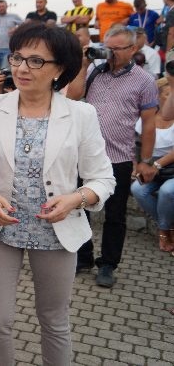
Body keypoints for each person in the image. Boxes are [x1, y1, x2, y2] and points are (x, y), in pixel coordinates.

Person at [0, 22, 115, 366]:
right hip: (0, 229)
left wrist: (75, 199)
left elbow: (103, 179)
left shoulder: (81, 114)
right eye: (17, 58)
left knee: (54, 321)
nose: (22, 68)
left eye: (36, 61)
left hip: (56, 232)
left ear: (59, 69)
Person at [66, 24, 158, 287]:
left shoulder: (144, 80)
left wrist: (146, 160)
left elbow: (149, 124)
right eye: (108, 48)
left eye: (118, 49)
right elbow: (73, 95)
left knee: (115, 215)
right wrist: (83, 65)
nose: (112, 53)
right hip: (86, 154)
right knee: (79, 207)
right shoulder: (94, 71)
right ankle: (83, 256)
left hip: (119, 158)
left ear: (133, 48)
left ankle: (107, 264)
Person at [130, 77, 174, 252]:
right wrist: (135, 165)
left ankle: (163, 231)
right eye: (168, 94)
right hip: (150, 168)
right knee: (137, 190)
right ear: (158, 96)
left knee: (167, 191)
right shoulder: (146, 118)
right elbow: (134, 144)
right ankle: (167, 226)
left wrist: (155, 165)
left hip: (169, 168)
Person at [0, 0, 22, 70]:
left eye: (3, 6)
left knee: (4, 71)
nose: (1, 8)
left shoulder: (14, 16)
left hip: (8, 50)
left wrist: (16, 29)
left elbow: (24, 24)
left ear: (7, 6)